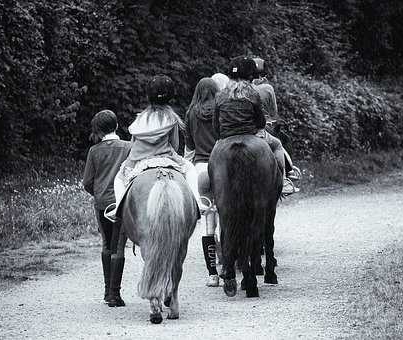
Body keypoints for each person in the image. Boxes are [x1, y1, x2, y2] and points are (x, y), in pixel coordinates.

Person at [104, 75, 209, 222]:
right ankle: (198, 202)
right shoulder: (171, 118)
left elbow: (133, 143)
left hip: (139, 160)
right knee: (191, 169)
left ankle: (117, 209)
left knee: (119, 179)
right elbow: (175, 145)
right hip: (166, 157)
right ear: (170, 96)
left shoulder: (140, 119)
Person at [213, 56, 295, 195]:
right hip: (251, 135)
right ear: (250, 77)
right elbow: (261, 123)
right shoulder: (252, 92)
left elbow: (216, 126)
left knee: (213, 158)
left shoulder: (220, 95)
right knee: (277, 145)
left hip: (226, 138)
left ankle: (210, 191)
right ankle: (283, 181)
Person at [82, 110, 130, 307]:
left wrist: (99, 194)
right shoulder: (128, 147)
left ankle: (106, 292)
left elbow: (87, 182)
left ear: (99, 131)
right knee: (119, 245)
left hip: (102, 203)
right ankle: (115, 294)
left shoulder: (94, 151)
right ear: (117, 126)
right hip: (121, 202)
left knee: (106, 244)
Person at [184, 77, 221, 287]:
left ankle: (212, 274)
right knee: (226, 219)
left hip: (200, 168)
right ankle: (227, 267)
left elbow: (189, 145)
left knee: (208, 222)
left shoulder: (191, 113)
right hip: (221, 163)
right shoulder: (220, 109)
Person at [252, 57, 301, 191]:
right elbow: (274, 111)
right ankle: (286, 175)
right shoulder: (267, 88)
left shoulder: (241, 87)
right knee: (282, 141)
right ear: (264, 74)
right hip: (264, 125)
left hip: (242, 127)